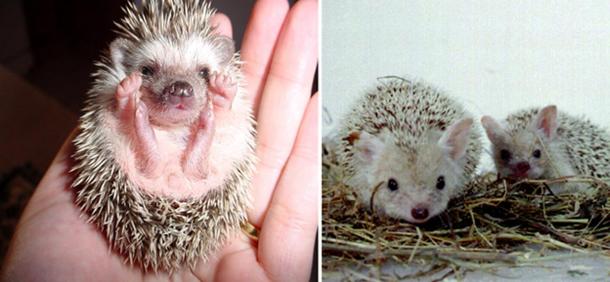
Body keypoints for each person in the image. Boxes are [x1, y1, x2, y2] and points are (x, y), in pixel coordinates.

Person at [0, 0, 318, 281]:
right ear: (124, 62)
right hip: (156, 171)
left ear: (219, 63)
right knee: (121, 129)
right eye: (150, 70)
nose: (180, 88)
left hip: (190, 177)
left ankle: (168, 136)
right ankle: (167, 140)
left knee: (219, 126)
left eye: (203, 74)